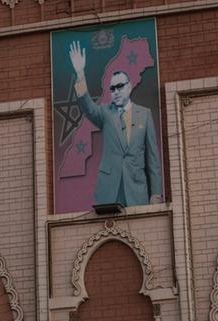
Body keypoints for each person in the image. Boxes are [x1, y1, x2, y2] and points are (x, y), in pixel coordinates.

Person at [68, 40, 164, 207]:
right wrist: (80, 74)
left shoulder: (145, 115)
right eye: (112, 89)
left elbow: (153, 158)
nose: (116, 92)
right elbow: (89, 108)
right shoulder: (105, 113)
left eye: (120, 86)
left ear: (129, 87)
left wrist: (156, 193)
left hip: (136, 189)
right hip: (110, 190)